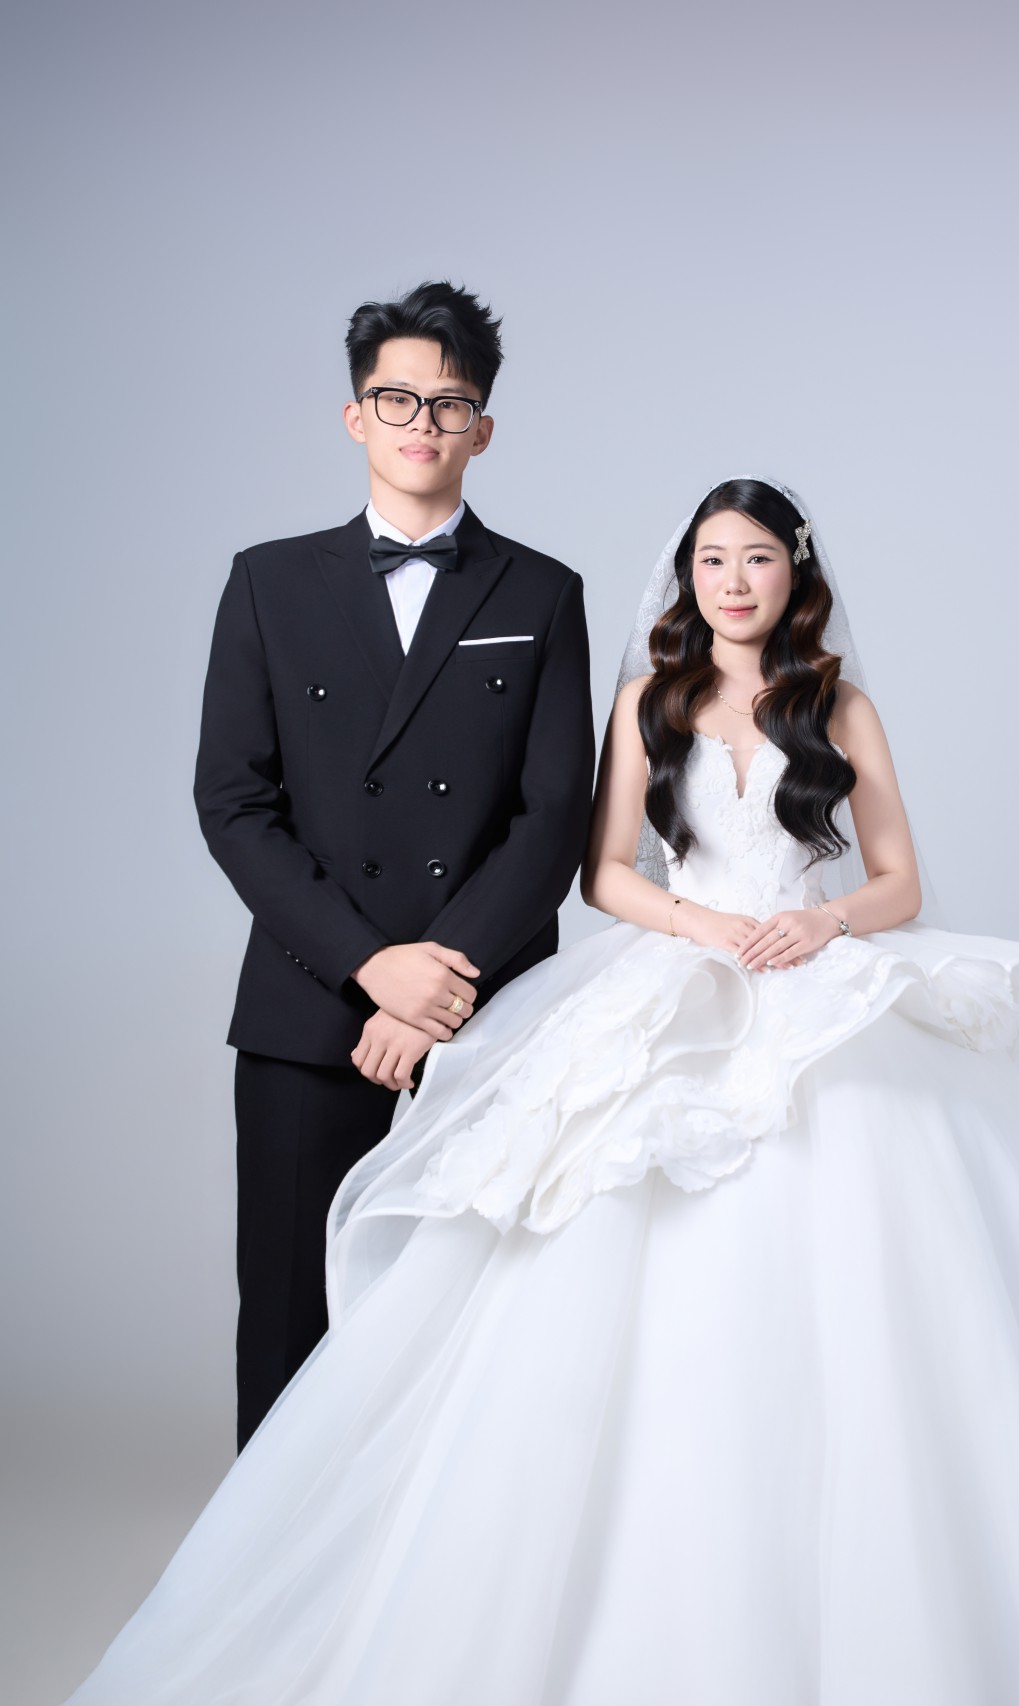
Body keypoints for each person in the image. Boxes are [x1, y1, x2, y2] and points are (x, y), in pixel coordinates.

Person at [43, 480, 1019, 1706]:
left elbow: (896, 881)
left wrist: (820, 931)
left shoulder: (841, 707)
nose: (731, 581)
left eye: (755, 559)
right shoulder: (644, 701)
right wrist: (699, 925)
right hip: (678, 973)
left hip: (812, 981)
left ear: (794, 573)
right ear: (685, 579)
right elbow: (602, 875)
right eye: (709, 560)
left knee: (885, 1289)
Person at [192, 279, 595, 1450]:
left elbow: (553, 817)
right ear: (356, 415)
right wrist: (373, 967)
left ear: (483, 428)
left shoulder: (542, 591)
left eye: (449, 403)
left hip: (485, 1020)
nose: (423, 421)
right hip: (308, 1009)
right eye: (397, 398)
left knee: (476, 1320)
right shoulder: (268, 581)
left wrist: (437, 983)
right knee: (285, 1317)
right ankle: (271, 1561)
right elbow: (233, 803)